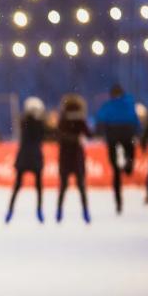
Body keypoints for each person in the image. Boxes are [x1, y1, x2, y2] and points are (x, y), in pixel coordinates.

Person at [95, 84, 142, 214]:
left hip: (113, 135)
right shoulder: (130, 103)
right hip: (128, 134)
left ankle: (118, 202)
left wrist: (98, 133)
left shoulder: (108, 105)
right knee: (130, 156)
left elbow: (100, 118)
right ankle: (128, 167)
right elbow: (136, 121)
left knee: (115, 170)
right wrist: (139, 134)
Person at [6, 97, 46, 223]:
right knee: (27, 186)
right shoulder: (30, 122)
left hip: (27, 157)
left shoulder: (27, 121)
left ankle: (37, 210)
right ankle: (12, 210)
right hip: (30, 157)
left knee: (31, 186)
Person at [56, 94, 92, 224]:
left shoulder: (63, 120)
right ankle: (85, 212)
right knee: (81, 186)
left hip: (65, 156)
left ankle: (59, 212)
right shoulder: (80, 120)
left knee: (63, 186)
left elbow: (58, 136)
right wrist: (77, 138)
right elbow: (89, 134)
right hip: (77, 156)